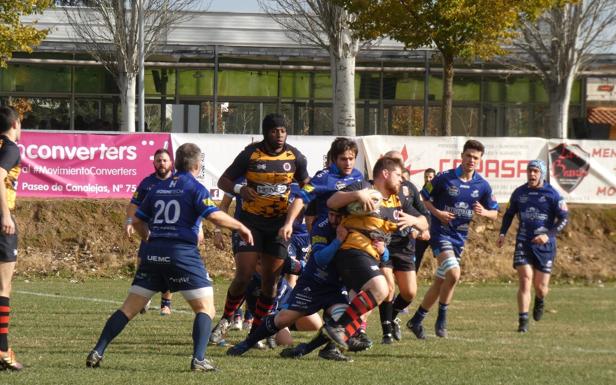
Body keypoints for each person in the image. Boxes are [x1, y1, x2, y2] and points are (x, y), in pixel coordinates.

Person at [86, 143, 253, 372]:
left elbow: (137, 220)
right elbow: (214, 215)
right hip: (181, 255)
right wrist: (241, 227)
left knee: (128, 308)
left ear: (175, 162)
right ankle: (199, 359)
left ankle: (98, 350)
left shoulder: (158, 187)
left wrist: (149, 238)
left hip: (153, 253)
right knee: (206, 309)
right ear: (197, 164)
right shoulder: (194, 188)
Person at [211, 114, 309, 343]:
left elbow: (307, 186)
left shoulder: (295, 157)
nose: (280, 135)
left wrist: (298, 210)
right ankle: (225, 320)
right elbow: (223, 181)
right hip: (250, 222)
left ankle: (257, 331)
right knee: (244, 275)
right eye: (275, 131)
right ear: (266, 132)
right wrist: (239, 189)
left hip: (278, 226)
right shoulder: (250, 154)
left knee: (270, 282)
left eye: (283, 131)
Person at [322, 157, 428, 350]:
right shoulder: (363, 186)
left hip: (372, 256)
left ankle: (329, 345)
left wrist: (414, 221)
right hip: (352, 251)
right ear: (385, 174)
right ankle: (338, 328)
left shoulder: (398, 200)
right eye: (398, 175)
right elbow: (332, 201)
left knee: (367, 302)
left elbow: (424, 222)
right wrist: (357, 195)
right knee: (381, 288)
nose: (401, 180)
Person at [226, 208, 353, 361]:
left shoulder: (356, 229)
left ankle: (307, 349)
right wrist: (338, 241)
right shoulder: (322, 226)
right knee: (283, 319)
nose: (332, 219)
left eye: (337, 216)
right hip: (314, 283)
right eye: (330, 214)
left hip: (336, 287)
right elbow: (320, 259)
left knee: (344, 318)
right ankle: (248, 342)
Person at [407, 140, 498, 339]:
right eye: (468, 156)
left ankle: (416, 320)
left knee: (442, 281)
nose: (471, 160)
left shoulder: (482, 185)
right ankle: (442, 319)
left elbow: (495, 213)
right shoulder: (443, 178)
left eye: (476, 158)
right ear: (462, 156)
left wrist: (485, 212)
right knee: (454, 274)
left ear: (480, 160)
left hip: (460, 238)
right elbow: (423, 198)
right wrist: (437, 213)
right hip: (440, 234)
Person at [497, 159, 568, 333]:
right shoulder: (519, 193)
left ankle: (540, 299)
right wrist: (502, 233)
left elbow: (564, 218)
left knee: (541, 287)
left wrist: (548, 235)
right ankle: (523, 321)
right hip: (524, 241)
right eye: (530, 171)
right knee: (525, 279)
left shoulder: (553, 194)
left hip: (545, 246)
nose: (532, 174)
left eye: (536, 171)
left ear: (542, 174)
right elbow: (509, 214)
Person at [377, 151, 430, 344]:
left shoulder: (408, 189)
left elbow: (425, 218)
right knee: (388, 288)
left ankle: (393, 317)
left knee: (409, 293)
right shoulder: (376, 187)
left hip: (405, 246)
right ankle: (386, 333)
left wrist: (415, 222)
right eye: (394, 162)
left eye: (400, 162)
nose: (399, 166)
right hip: (384, 244)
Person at [125, 148, 175, 316]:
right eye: (158, 160)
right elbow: (134, 204)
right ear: (154, 163)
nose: (162, 163)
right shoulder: (147, 183)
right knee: (142, 265)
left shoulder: (178, 181)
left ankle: (166, 304)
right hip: (149, 232)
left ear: (171, 163)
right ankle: (144, 299)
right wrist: (129, 221)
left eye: (165, 160)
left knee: (168, 267)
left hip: (170, 232)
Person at [0, 106, 23, 371]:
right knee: (3, 288)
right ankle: (3, 350)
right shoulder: (11, 148)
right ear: (15, 123)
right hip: (2, 221)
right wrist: (5, 215)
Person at [415, 168, 436, 273]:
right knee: (416, 257)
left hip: (435, 231)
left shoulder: (439, 193)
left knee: (441, 257)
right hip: (422, 230)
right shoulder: (419, 194)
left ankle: (443, 284)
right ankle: (410, 284)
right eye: (426, 177)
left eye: (430, 177)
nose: (428, 179)